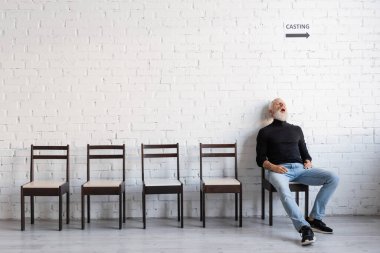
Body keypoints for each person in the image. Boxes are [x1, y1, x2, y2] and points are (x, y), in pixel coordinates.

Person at [256, 98, 339, 246]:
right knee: (283, 189)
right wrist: (273, 167)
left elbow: (305, 153)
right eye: (277, 103)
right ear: (271, 111)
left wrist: (308, 161)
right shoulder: (264, 132)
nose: (282, 105)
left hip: (300, 170)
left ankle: (314, 219)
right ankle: (304, 227)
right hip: (279, 170)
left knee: (333, 177)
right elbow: (260, 159)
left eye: (283, 103)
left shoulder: (296, 129)